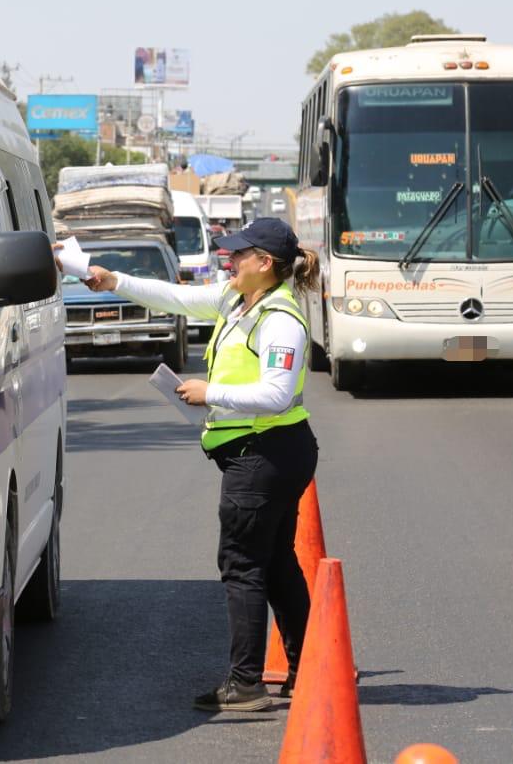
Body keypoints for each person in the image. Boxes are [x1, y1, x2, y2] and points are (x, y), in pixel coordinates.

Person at [77, 217, 321, 712]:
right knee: (272, 564)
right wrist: (113, 280)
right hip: (264, 452)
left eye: (238, 254)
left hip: (266, 453)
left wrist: (212, 393)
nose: (228, 260)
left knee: (242, 565)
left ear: (265, 263)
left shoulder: (280, 319)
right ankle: (308, 668)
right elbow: (176, 298)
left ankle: (246, 683)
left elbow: (275, 394)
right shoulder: (237, 299)